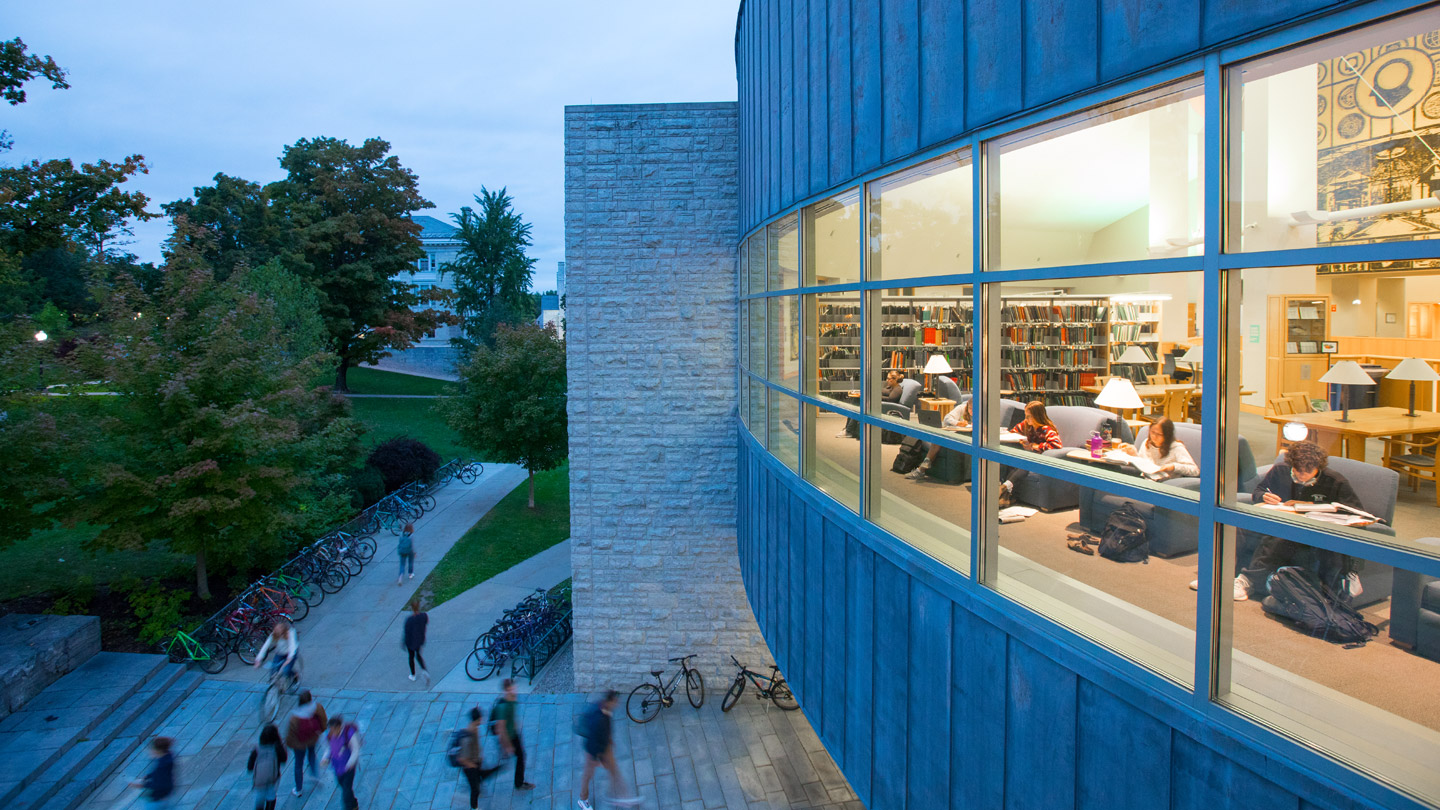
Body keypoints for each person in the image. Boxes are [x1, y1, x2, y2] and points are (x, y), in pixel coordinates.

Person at [1190, 441, 1364, 601]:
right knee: (1237, 525)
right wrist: (1263, 496)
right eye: (1298, 472)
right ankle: (1219, 574)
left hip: (1308, 532)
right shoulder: (1280, 471)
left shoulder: (1335, 481)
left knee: (1279, 531)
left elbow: (1354, 510)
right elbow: (1258, 491)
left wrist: (1313, 505)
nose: (1302, 477)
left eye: (1308, 473)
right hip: (1276, 517)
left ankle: (1247, 581)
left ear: (1318, 467)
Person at [576, 690, 641, 809]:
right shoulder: (598, 718)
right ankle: (582, 799)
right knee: (588, 774)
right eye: (615, 702)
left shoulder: (604, 707)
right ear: (609, 701)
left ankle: (621, 796)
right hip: (594, 750)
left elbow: (605, 729)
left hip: (604, 746)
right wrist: (597, 758)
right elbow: (594, 739)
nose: (617, 705)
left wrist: (610, 740)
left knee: (614, 770)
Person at [998, 400, 1062, 508]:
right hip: (1027, 455)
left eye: (1029, 416)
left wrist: (1034, 446)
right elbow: (1013, 432)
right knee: (1013, 460)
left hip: (1040, 459)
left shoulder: (1047, 429)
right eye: (1025, 416)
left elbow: (1057, 445)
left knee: (1025, 463)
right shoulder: (1027, 425)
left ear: (1037, 416)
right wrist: (1019, 440)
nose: (1026, 419)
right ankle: (1006, 496)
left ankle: (1004, 488)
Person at [1115, 417, 1199, 481]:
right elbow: (1144, 463)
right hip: (1147, 480)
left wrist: (1173, 467)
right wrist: (1133, 453)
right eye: (1152, 432)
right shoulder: (1147, 443)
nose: (1154, 437)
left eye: (1159, 434)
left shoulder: (1176, 447)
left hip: (1168, 483)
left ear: (1167, 435)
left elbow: (1195, 471)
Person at [907, 400, 972, 481]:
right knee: (938, 437)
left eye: (973, 409)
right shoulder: (962, 408)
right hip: (953, 434)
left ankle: (922, 468)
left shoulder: (982, 413)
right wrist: (957, 423)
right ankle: (924, 465)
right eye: (970, 408)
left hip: (965, 439)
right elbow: (947, 418)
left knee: (938, 439)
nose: (971, 411)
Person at [492, 678, 535, 790]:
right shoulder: (503, 707)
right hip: (509, 736)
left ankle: (518, 781)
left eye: (514, 687)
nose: (514, 690)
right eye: (511, 689)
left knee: (520, 755)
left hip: (514, 733)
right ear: (506, 690)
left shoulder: (512, 699)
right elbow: (501, 728)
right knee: (521, 756)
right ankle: (519, 783)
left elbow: (513, 716)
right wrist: (508, 745)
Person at [284, 690, 327, 796]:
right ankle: (315, 775)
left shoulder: (295, 716)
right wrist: (320, 731)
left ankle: (298, 789)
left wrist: (289, 745)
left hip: (299, 744)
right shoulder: (317, 707)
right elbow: (323, 720)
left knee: (298, 764)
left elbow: (290, 734)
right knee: (312, 755)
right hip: (312, 738)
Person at [456, 706, 499, 809]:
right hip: (470, 767)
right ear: (478, 719)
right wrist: (473, 766)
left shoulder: (475, 728)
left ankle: (479, 781)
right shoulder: (467, 737)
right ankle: (474, 807)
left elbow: (476, 745)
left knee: (480, 779)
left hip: (476, 761)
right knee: (475, 790)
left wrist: (479, 756)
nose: (482, 720)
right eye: (481, 718)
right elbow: (462, 759)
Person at [320, 715, 362, 810]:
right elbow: (329, 748)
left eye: (333, 729)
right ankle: (354, 804)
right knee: (343, 787)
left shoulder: (349, 733)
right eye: (330, 730)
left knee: (346, 793)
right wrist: (325, 758)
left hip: (348, 768)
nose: (332, 732)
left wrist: (350, 764)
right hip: (337, 767)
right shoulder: (330, 735)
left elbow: (355, 749)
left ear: (339, 727)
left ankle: (350, 807)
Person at [247, 724, 288, 810]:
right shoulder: (276, 747)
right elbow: (284, 759)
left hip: (259, 780)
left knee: (260, 796)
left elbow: (250, 767)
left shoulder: (257, 749)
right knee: (271, 795)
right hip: (273, 777)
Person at [129, 736, 175, 808]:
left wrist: (141, 785)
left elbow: (157, 783)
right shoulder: (167, 757)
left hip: (159, 794)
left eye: (152, 749)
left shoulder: (161, 765)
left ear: (157, 750)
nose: (150, 751)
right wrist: (148, 776)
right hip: (167, 790)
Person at [403, 598, 430, 686]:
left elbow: (406, 632)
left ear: (412, 608)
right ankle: (424, 670)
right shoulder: (424, 616)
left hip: (411, 642)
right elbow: (426, 622)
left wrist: (404, 643)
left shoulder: (409, 620)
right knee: (418, 655)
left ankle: (413, 675)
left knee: (411, 657)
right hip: (419, 640)